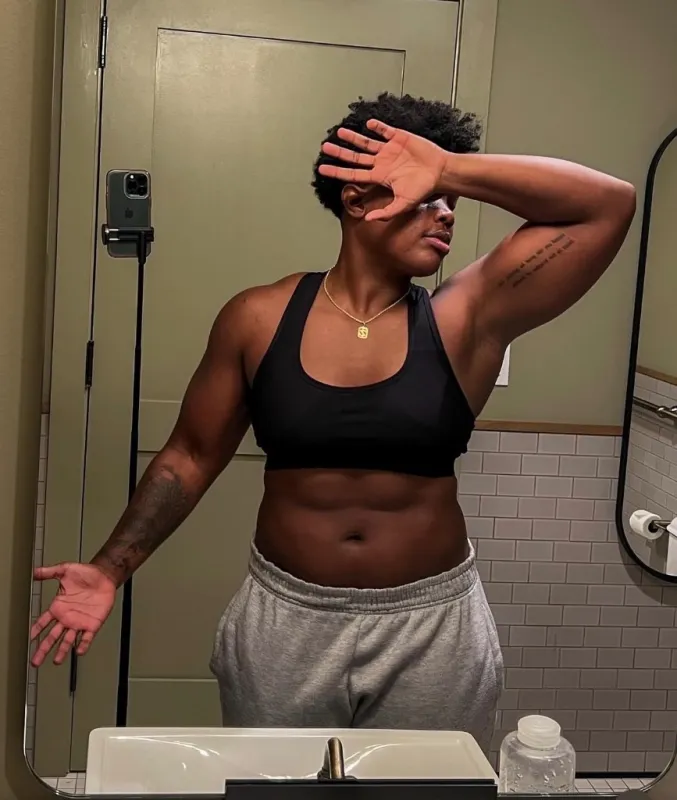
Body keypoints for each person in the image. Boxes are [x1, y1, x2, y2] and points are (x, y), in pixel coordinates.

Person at [31, 93, 635, 751]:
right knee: (275, 787)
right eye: (427, 197)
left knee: (429, 791)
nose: (447, 214)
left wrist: (447, 168)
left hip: (430, 626)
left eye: (452, 201)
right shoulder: (257, 318)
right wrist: (109, 569)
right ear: (357, 197)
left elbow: (608, 205)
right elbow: (190, 456)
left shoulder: (467, 317)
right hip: (287, 620)